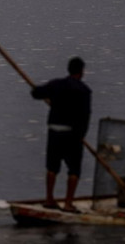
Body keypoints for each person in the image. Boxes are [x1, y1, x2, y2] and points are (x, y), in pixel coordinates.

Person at [31, 57, 92, 212]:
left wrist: (48, 95)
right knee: (74, 169)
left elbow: (35, 93)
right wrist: (81, 136)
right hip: (72, 133)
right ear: (81, 72)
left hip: (54, 130)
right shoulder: (84, 91)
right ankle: (68, 203)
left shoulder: (55, 84)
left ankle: (49, 199)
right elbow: (85, 116)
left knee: (52, 166)